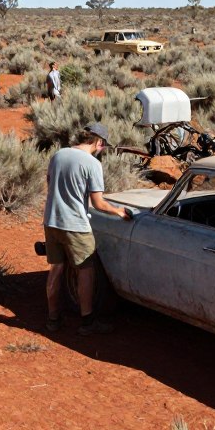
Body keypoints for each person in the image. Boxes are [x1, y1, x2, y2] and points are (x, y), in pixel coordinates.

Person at [43, 123, 132, 335]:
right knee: (85, 271)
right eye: (103, 146)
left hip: (51, 221)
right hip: (75, 225)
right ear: (98, 141)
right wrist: (118, 211)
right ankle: (87, 322)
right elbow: (98, 203)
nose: (102, 150)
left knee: (56, 269)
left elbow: (49, 182)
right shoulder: (92, 164)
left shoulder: (58, 155)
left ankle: (53, 319)